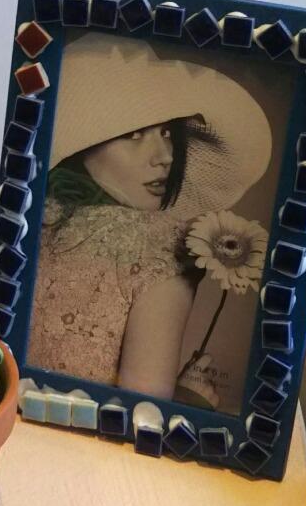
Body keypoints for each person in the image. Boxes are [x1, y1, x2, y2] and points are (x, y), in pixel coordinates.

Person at [26, 34, 272, 401]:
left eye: (167, 132)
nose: (165, 156)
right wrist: (192, 398)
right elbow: (142, 413)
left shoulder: (30, 214)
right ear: (81, 145)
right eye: (135, 134)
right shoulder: (161, 243)